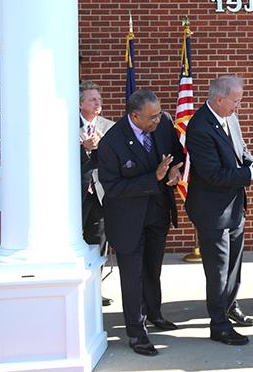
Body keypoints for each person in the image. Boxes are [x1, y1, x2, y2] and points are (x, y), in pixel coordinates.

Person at [185, 76, 253, 346]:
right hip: (212, 210)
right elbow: (213, 175)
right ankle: (219, 325)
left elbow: (241, 150)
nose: (239, 105)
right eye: (235, 101)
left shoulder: (231, 117)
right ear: (218, 99)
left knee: (234, 265)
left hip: (235, 206)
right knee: (218, 270)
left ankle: (229, 306)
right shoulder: (200, 127)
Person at [98, 89, 184, 356]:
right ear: (134, 116)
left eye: (159, 115)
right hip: (128, 219)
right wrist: (154, 177)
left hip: (157, 213)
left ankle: (155, 314)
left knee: (152, 268)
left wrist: (173, 171)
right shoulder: (111, 142)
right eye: (152, 118)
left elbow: (178, 152)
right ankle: (136, 333)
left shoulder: (164, 123)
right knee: (132, 276)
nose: (158, 121)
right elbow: (112, 188)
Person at [78, 80, 114, 306]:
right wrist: (83, 149)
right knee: (75, 241)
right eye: (92, 99)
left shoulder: (108, 126)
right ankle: (76, 290)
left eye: (99, 99)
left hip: (100, 195)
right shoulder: (65, 125)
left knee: (98, 243)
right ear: (80, 104)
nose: (98, 103)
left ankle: (94, 291)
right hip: (76, 196)